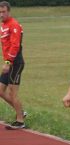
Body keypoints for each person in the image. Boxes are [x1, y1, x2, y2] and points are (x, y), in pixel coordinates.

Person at [0, 1, 26, 130]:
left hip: (15, 63)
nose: (1, 14)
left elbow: (15, 45)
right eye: (0, 12)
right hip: (8, 63)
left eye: (3, 12)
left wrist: (8, 62)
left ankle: (20, 121)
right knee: (0, 90)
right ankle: (20, 111)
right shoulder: (3, 25)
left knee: (12, 92)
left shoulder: (14, 25)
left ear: (8, 11)